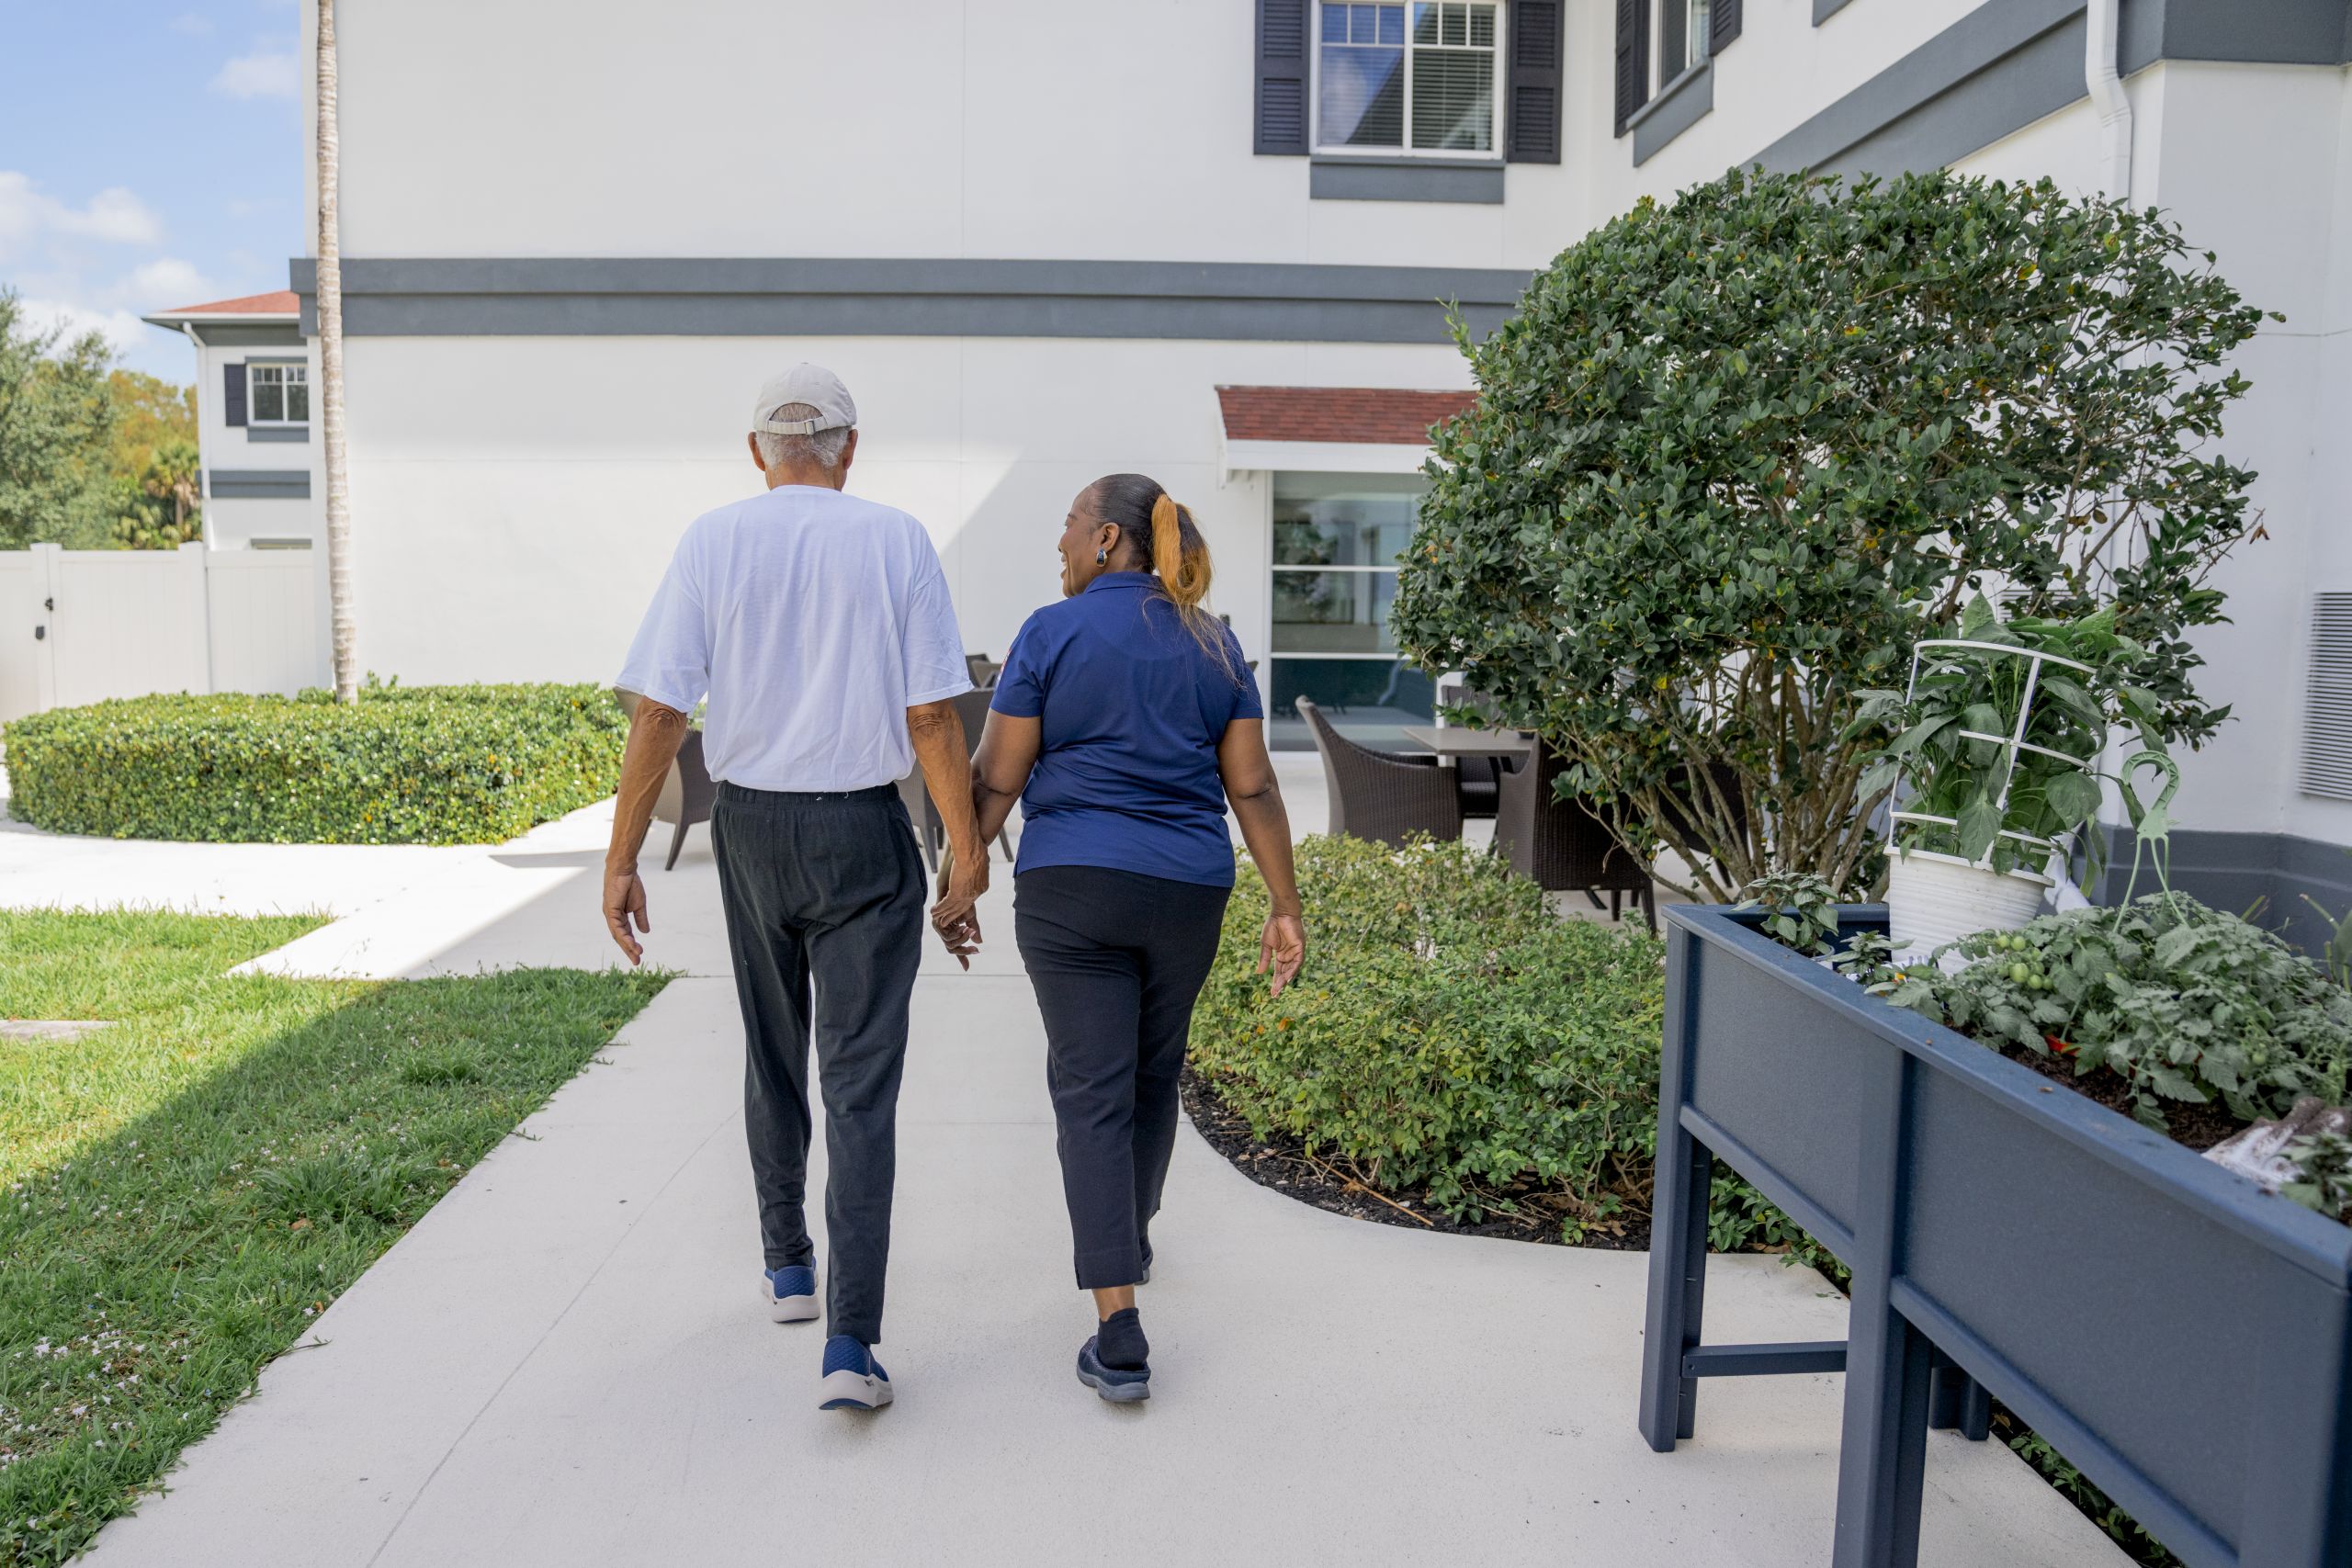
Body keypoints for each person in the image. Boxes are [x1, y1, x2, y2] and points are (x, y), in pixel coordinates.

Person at [603, 364, 987, 1414]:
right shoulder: (895, 538)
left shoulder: (711, 540)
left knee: (773, 1048)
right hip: (862, 828)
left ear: (757, 453)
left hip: (752, 827)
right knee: (859, 1085)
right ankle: (852, 1345)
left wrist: (622, 855)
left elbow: (658, 712)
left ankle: (786, 1264)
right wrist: (964, 853)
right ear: (849, 451)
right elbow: (932, 721)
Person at [937, 472, 1306, 1404]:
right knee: (1150, 1074)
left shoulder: (1050, 633)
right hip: (1187, 888)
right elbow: (1253, 787)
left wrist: (964, 868)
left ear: (1108, 540)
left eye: (1068, 527)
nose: (1057, 544)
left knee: (1089, 1091)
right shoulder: (1214, 642)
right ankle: (1130, 1226)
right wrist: (1284, 904)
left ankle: (1119, 1328)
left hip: (1072, 891)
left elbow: (998, 778)